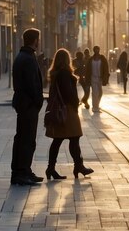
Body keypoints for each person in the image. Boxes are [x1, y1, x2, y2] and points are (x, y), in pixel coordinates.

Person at [44, 48, 94, 180]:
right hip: (67, 111)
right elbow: (68, 93)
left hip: (62, 110)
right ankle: (78, 166)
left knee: (58, 140)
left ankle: (51, 168)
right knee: (74, 138)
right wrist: (76, 103)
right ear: (66, 60)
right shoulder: (64, 73)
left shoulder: (56, 73)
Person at [10, 28, 44, 185]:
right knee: (27, 140)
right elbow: (32, 84)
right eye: (38, 39)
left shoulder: (22, 56)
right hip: (28, 105)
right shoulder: (28, 58)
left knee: (21, 138)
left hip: (23, 104)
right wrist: (38, 101)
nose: (40, 42)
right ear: (34, 40)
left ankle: (21, 171)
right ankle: (22, 172)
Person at [85, 46, 110, 113]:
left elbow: (106, 68)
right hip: (93, 78)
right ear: (93, 50)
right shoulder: (91, 59)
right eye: (95, 49)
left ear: (99, 50)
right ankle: (95, 107)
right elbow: (87, 70)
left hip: (100, 78)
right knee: (95, 93)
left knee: (100, 93)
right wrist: (87, 79)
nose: (96, 50)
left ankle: (97, 105)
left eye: (97, 49)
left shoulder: (102, 58)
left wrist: (106, 77)